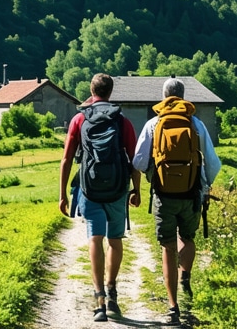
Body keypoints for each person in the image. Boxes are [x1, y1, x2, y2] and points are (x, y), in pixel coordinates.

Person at [132, 78, 221, 326]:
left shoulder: (153, 123)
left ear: (163, 96)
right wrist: (203, 185)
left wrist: (153, 173)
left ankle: (173, 306)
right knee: (188, 237)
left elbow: (138, 162)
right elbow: (213, 163)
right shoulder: (196, 123)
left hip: (164, 194)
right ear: (184, 96)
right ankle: (186, 278)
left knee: (168, 246)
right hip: (191, 193)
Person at [59, 73, 141, 322]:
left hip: (90, 188)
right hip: (117, 188)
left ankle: (99, 301)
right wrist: (136, 189)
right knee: (115, 239)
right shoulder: (122, 120)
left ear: (91, 90)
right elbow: (134, 159)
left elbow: (66, 158)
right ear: (111, 92)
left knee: (95, 238)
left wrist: (62, 194)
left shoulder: (79, 118)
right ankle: (113, 292)